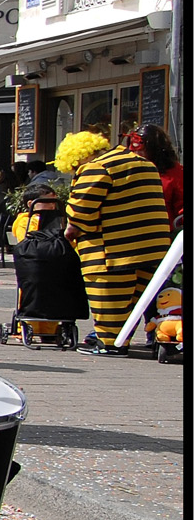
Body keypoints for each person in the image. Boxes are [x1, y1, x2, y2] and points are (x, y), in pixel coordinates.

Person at [60, 129, 173, 354]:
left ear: (79, 157)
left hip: (113, 250)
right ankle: (122, 338)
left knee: (110, 299)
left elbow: (81, 210)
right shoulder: (144, 164)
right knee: (135, 301)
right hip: (153, 248)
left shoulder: (97, 168)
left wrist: (70, 233)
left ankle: (110, 343)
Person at [132, 124, 184, 231]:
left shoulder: (175, 173)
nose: (136, 154)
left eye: (141, 149)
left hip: (164, 236)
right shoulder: (127, 170)